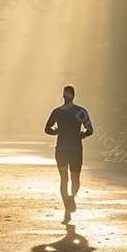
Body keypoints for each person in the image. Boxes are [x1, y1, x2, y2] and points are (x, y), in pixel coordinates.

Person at [44, 85, 93, 224]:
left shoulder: (57, 112)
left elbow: (47, 128)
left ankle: (67, 210)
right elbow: (90, 130)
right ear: (74, 95)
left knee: (64, 179)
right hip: (76, 149)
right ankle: (72, 198)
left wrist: (56, 132)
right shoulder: (80, 111)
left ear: (63, 96)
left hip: (61, 149)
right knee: (75, 179)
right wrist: (81, 135)